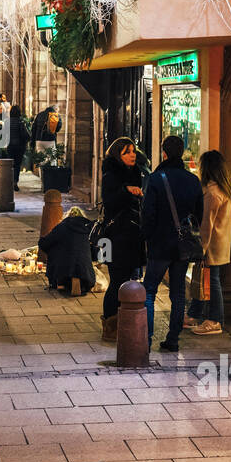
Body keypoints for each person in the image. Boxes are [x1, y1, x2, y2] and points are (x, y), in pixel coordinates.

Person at [140, 135, 203, 353]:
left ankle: (145, 339)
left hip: (159, 244)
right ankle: (173, 339)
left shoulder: (157, 179)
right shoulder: (193, 180)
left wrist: (147, 238)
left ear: (164, 153)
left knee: (148, 291)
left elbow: (147, 213)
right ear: (183, 153)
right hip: (182, 245)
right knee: (177, 293)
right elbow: (199, 216)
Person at [186, 149, 231, 336]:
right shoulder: (225, 188)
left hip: (212, 245)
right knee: (205, 279)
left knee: (212, 281)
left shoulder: (212, 193)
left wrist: (202, 248)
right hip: (221, 243)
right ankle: (195, 313)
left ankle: (215, 320)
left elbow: (206, 225)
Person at [99, 136, 146, 337]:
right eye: (127, 152)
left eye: (134, 150)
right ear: (118, 155)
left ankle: (124, 322)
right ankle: (110, 325)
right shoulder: (111, 175)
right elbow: (109, 203)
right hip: (114, 237)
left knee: (128, 279)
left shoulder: (137, 173)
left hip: (132, 236)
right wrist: (126, 191)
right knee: (117, 280)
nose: (132, 154)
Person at [39, 207, 98, 296]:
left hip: (62, 273)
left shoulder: (62, 226)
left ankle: (62, 282)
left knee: (53, 245)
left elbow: (44, 244)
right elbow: (96, 252)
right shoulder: (89, 227)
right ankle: (78, 281)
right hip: (87, 276)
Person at [6, 105, 29, 190]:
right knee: (17, 165)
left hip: (10, 146)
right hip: (19, 147)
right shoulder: (21, 122)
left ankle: (9, 182)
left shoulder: (7, 122)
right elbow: (26, 135)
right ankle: (15, 182)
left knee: (10, 165)